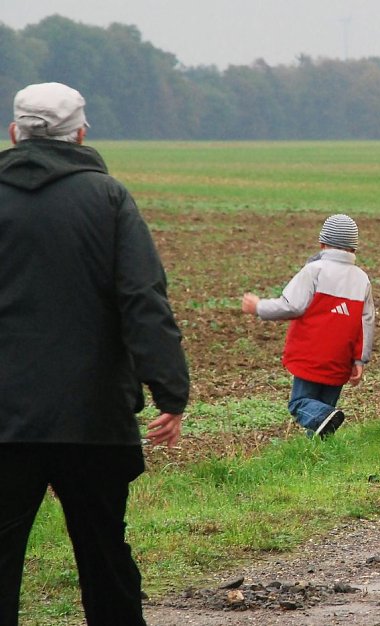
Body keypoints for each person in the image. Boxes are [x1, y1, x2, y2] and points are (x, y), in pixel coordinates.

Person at [0, 82, 189, 626]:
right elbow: (143, 300)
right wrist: (170, 390)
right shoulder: (108, 199)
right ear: (80, 134)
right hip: (93, 417)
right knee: (105, 557)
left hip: (5, 420)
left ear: (15, 133)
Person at [242, 214, 374, 438]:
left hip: (310, 355)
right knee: (324, 414)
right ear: (354, 248)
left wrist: (259, 307)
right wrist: (360, 359)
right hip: (340, 359)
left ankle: (323, 421)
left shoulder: (314, 271)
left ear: (322, 244)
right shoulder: (362, 279)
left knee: (300, 404)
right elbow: (367, 321)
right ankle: (319, 455)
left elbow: (291, 305)